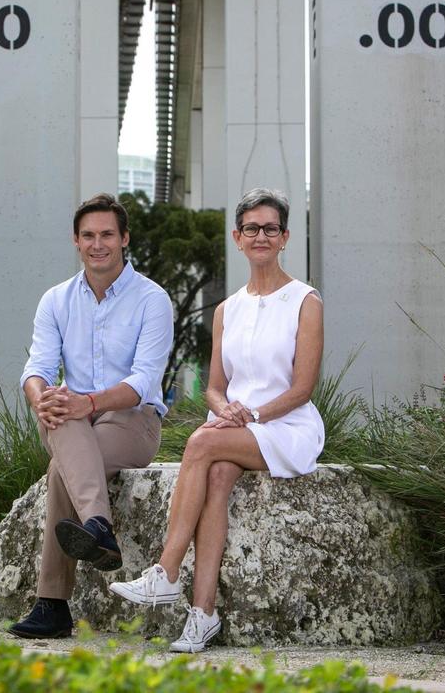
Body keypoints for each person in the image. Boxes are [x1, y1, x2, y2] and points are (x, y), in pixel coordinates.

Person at [108, 187, 324, 653]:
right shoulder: (227, 309)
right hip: (235, 428)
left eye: (270, 228)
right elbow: (213, 385)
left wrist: (252, 415)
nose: (261, 235)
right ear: (238, 237)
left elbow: (303, 387)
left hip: (286, 426)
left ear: (284, 237)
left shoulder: (306, 301)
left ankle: (165, 571)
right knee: (219, 473)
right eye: (252, 228)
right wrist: (224, 407)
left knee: (201, 444)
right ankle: (202, 614)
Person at [9, 193, 174, 639]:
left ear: (124, 239)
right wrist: (39, 397)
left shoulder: (152, 300)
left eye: (106, 235)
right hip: (72, 422)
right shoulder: (56, 300)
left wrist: (90, 403)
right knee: (59, 414)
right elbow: (37, 368)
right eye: (88, 236)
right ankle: (99, 527)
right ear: (76, 241)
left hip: (133, 422)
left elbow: (144, 380)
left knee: (62, 468)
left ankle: (52, 605)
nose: (97, 244)